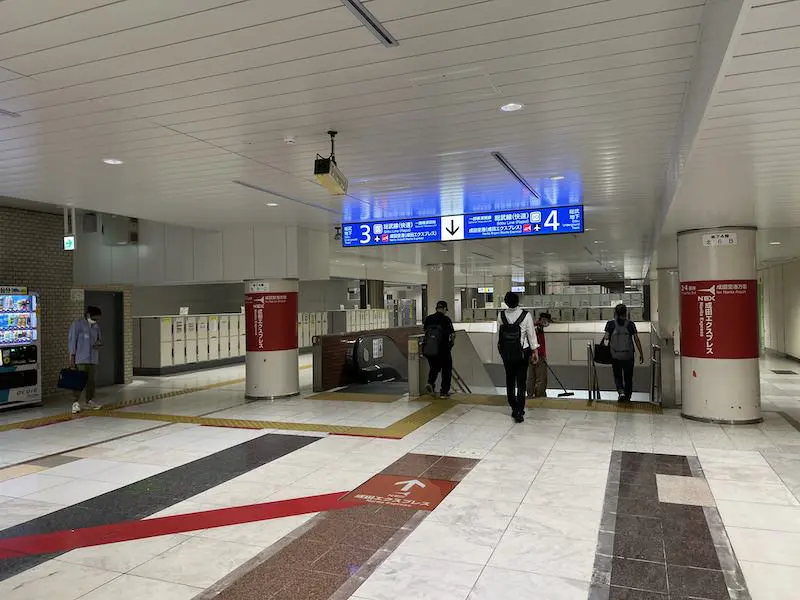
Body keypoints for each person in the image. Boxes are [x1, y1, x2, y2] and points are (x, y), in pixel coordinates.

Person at [497, 292, 538, 423]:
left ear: (506, 302)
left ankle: (513, 406)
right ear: (518, 301)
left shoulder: (501, 315)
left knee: (509, 379)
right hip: (522, 352)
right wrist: (535, 351)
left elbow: (499, 334)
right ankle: (519, 409)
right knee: (521, 381)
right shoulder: (526, 315)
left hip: (506, 352)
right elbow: (531, 334)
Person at [604, 303, 644, 402]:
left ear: (615, 313)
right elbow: (636, 339)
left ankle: (621, 392)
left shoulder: (610, 324)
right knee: (628, 377)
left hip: (615, 355)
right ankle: (628, 396)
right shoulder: (630, 324)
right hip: (628, 356)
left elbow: (606, 338)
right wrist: (641, 353)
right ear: (626, 312)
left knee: (617, 376)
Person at [69, 306, 104, 414]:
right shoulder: (77, 325)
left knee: (91, 381)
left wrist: (99, 343)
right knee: (79, 381)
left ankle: (89, 400)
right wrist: (72, 357)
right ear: (88, 315)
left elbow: (100, 340)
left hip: (93, 358)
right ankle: (75, 403)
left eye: (98, 319)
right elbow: (72, 341)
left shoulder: (96, 326)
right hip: (81, 358)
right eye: (95, 318)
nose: (96, 320)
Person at [422, 300, 456, 399]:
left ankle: (430, 383)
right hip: (443, 349)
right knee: (446, 370)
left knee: (434, 367)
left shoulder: (428, 319)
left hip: (430, 349)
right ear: (445, 309)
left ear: (436, 308)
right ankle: (444, 392)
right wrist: (451, 344)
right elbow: (453, 335)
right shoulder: (446, 320)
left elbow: (425, 331)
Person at [527, 312, 552, 398]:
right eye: (548, 321)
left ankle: (530, 394)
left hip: (530, 354)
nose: (548, 324)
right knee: (541, 377)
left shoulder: (532, 326)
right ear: (543, 320)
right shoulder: (539, 327)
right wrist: (542, 355)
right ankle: (540, 396)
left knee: (531, 376)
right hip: (539, 355)